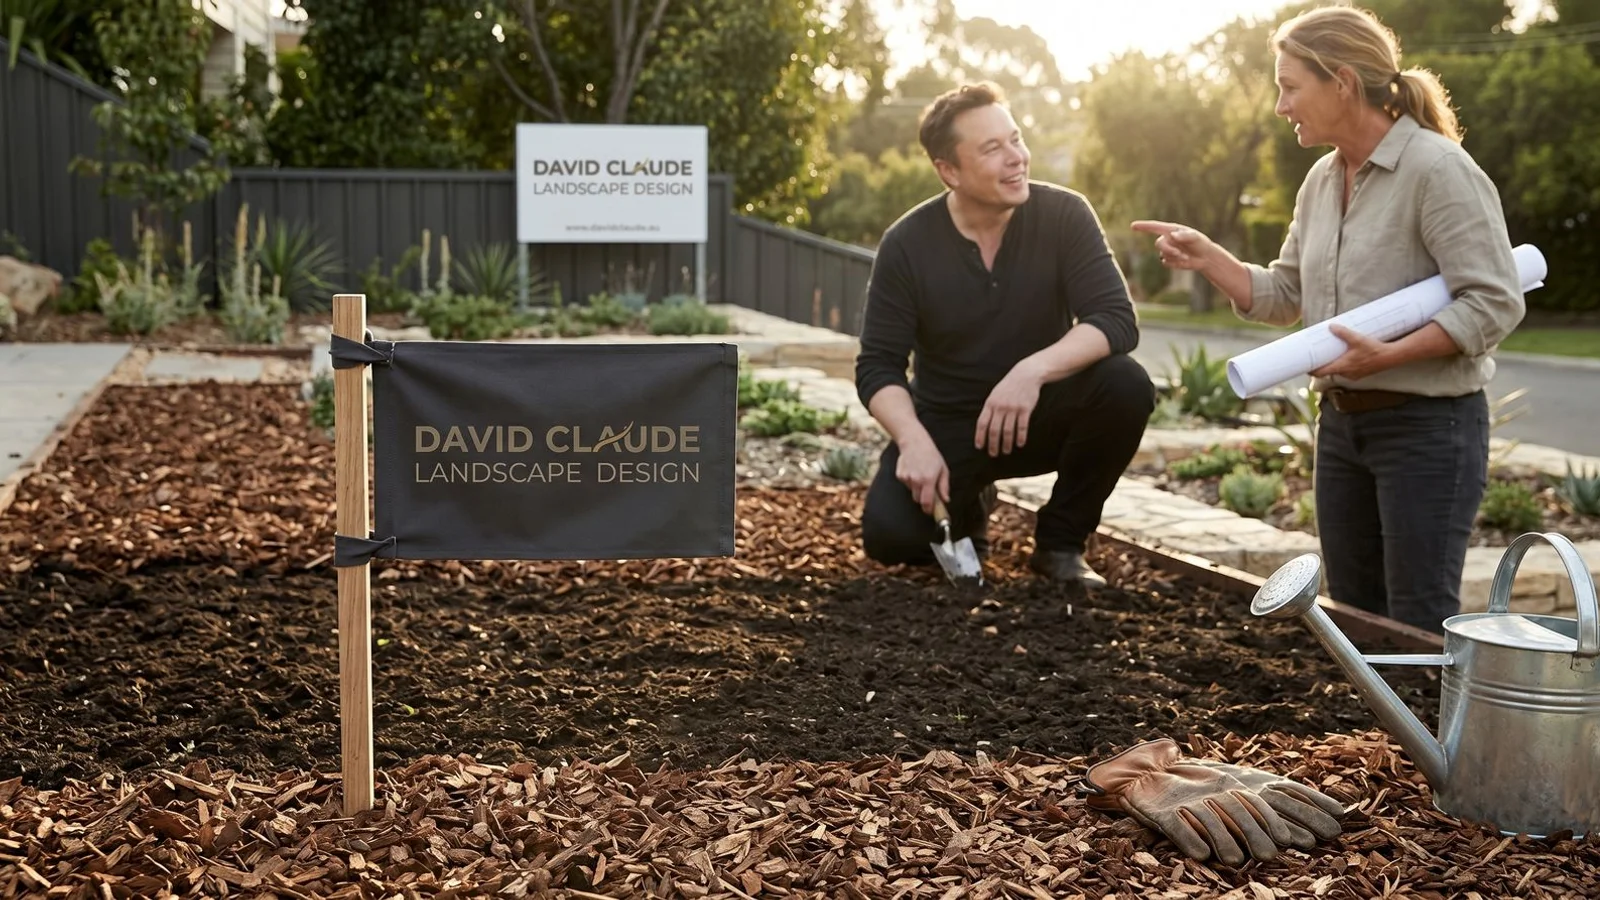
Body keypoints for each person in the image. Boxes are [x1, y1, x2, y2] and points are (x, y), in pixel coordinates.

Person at [1132, 5, 1526, 632]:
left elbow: (1495, 301)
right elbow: (1286, 293)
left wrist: (1386, 355)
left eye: (1290, 86)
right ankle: (1374, 737)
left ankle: (1423, 736)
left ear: (1342, 82)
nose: (1281, 105)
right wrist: (1211, 259)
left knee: (1419, 620)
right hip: (1341, 431)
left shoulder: (1437, 170)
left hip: (1427, 430)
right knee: (1355, 615)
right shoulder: (1321, 180)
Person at [854, 82, 1156, 587]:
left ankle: (1061, 543)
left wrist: (1031, 371)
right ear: (948, 171)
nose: (1016, 158)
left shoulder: (1065, 215)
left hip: (1041, 414)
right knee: (892, 538)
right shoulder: (906, 244)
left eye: (1015, 139)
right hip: (948, 423)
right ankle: (970, 501)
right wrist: (912, 441)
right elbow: (878, 365)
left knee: (1125, 384)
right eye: (992, 149)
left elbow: (1115, 319)